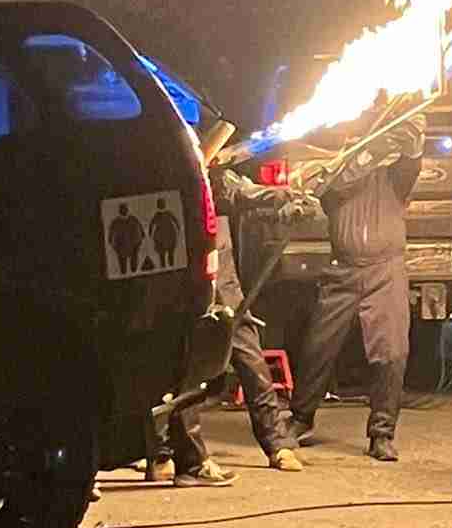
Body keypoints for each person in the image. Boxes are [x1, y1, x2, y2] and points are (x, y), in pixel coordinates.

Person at [146, 163, 319, 484]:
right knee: (184, 373)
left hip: (224, 286)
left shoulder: (206, 168)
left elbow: (239, 189)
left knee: (251, 361)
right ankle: (168, 455)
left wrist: (283, 197)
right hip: (185, 286)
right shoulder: (163, 167)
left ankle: (277, 444)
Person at [289, 108, 425, 463]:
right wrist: (370, 150)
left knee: (391, 353)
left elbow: (411, 162)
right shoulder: (335, 178)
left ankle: (382, 433)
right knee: (317, 347)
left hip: (385, 271)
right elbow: (334, 184)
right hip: (343, 271)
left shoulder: (393, 179)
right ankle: (301, 419)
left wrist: (412, 137)